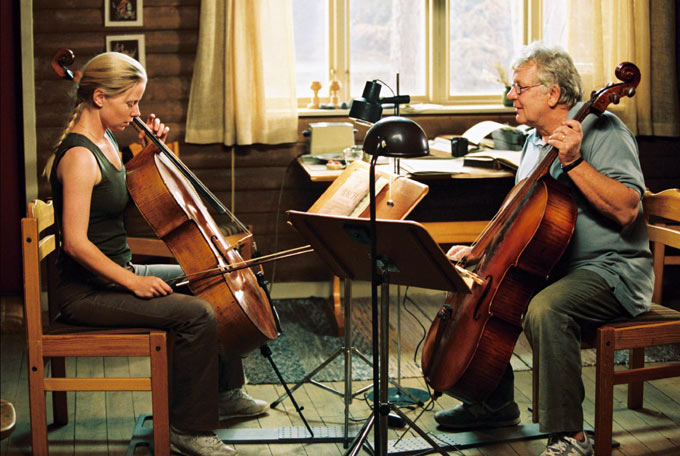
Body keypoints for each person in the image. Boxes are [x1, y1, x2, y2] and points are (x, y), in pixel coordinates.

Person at [434, 43, 654, 456]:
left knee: (547, 308)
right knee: (480, 285)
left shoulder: (604, 131)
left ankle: (570, 436)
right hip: (555, 266)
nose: (510, 96)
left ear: (552, 93)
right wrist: (481, 249)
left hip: (610, 270)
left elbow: (626, 209)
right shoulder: (534, 140)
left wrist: (574, 163)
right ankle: (492, 404)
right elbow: (522, 212)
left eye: (519, 87)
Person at [45, 51, 269, 456]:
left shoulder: (108, 139)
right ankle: (187, 429)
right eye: (130, 102)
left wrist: (153, 151)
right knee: (196, 313)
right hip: (86, 294)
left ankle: (225, 393)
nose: (136, 111)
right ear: (99, 98)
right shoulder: (79, 157)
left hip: (114, 273)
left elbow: (124, 190)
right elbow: (76, 243)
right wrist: (133, 281)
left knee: (208, 276)